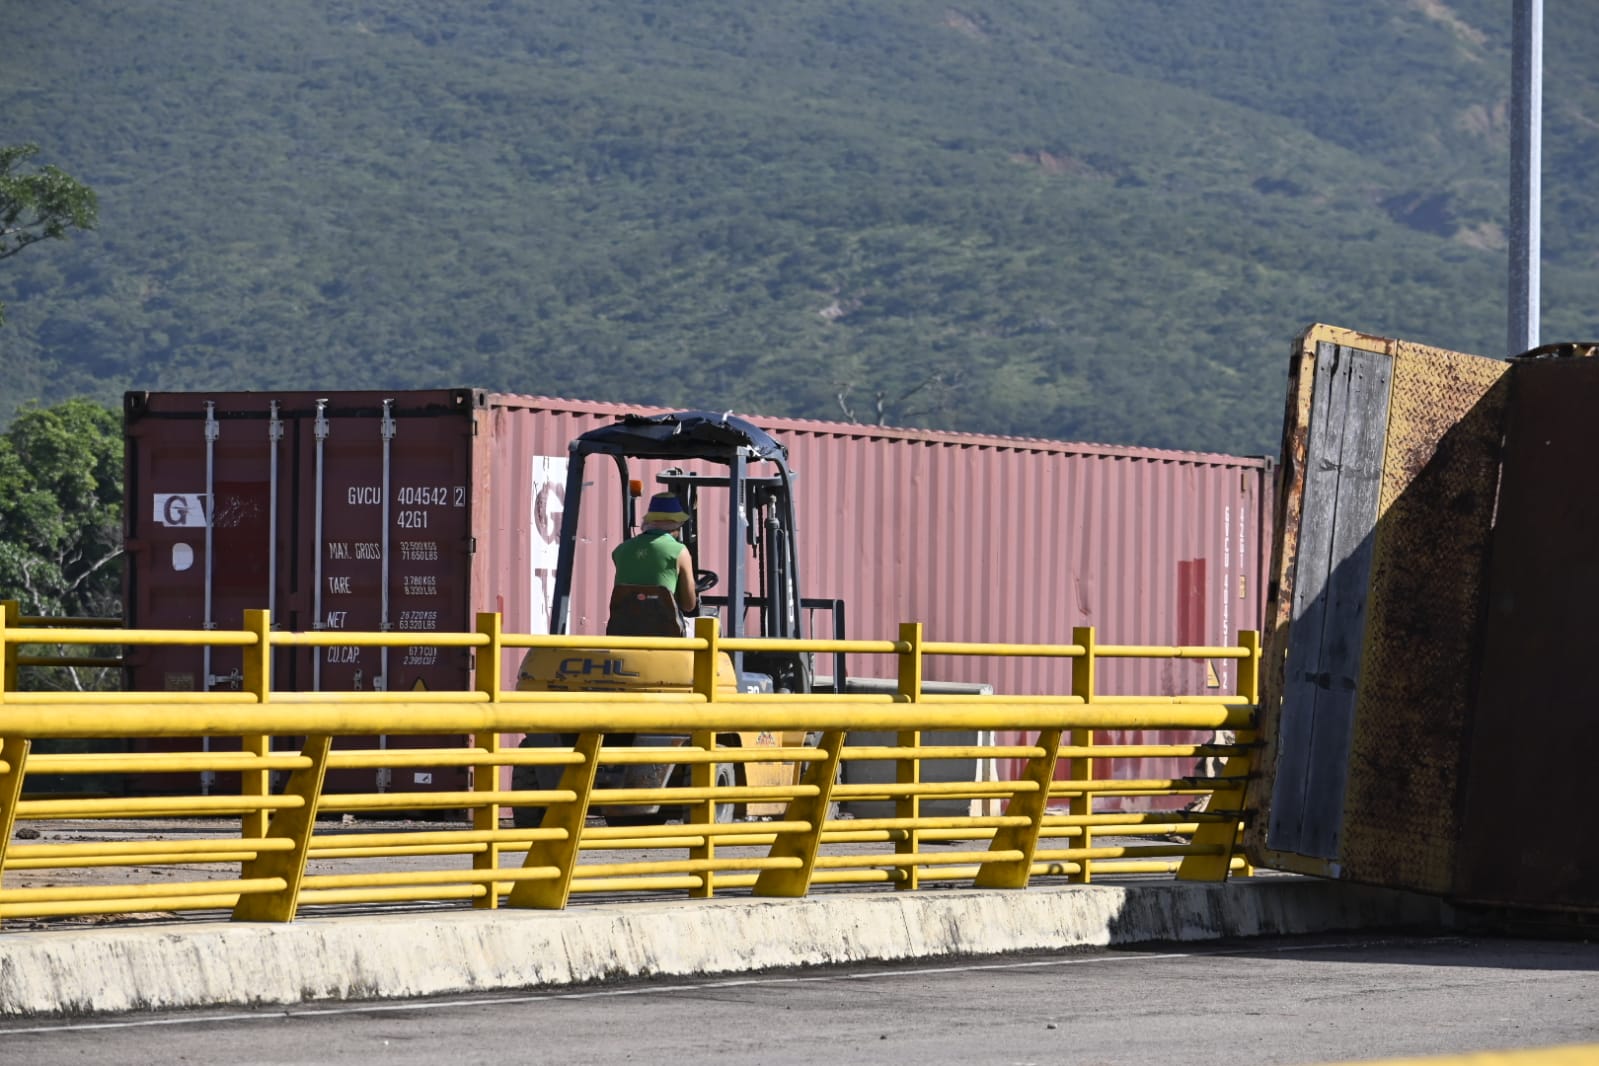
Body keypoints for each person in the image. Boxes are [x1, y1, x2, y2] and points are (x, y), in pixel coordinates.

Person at [610, 492, 697, 632]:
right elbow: (689, 605)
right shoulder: (680, 551)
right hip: (666, 632)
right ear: (676, 525)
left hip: (623, 630)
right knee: (714, 627)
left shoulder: (620, 550)